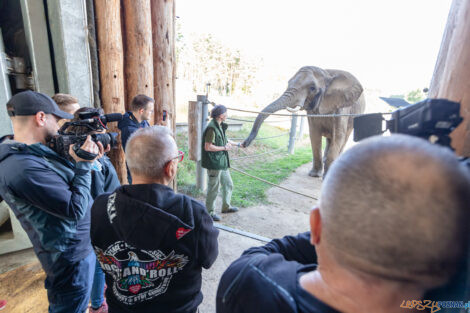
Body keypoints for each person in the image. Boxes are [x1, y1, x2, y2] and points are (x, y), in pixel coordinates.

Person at [216, 134, 470, 313]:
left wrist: (339, 226)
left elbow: (264, 253)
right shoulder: (451, 304)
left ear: (316, 225)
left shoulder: (248, 280)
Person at [90, 126, 219, 313]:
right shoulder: (192, 213)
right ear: (170, 167)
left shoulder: (100, 207)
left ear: (130, 163)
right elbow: (209, 258)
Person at [0, 90, 105, 312]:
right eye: (57, 120)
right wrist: (83, 164)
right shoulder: (23, 167)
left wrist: (86, 160)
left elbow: (69, 184)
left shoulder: (34, 153)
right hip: (68, 257)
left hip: (76, 247)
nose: (59, 126)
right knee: (69, 305)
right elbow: (74, 208)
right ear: (40, 118)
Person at [67, 107, 122, 313]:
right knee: (99, 264)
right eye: (99, 137)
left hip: (103, 215)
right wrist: (93, 162)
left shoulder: (93, 157)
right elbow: (97, 193)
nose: (105, 141)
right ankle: (97, 304)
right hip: (97, 219)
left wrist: (100, 159)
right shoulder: (83, 161)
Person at [201, 105, 242, 221]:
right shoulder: (212, 128)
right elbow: (208, 147)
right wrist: (224, 148)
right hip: (214, 163)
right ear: (220, 115)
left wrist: (238, 144)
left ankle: (226, 207)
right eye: (226, 112)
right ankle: (209, 213)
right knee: (213, 188)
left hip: (221, 162)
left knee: (228, 184)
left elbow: (225, 139)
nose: (227, 114)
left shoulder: (219, 126)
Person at [117, 94, 154, 184]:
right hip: (138, 172)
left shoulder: (142, 121)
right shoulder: (129, 130)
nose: (152, 113)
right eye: (150, 111)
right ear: (141, 111)